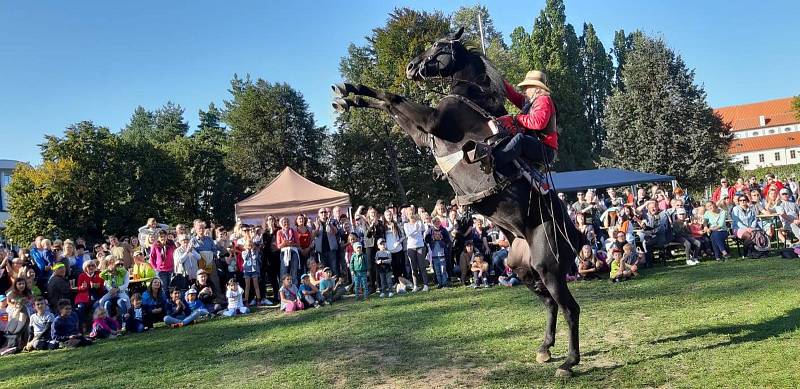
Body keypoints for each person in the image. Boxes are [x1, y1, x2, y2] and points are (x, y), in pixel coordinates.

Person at [488, 70, 557, 187]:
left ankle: (493, 162)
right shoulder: (531, 102)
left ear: (536, 89)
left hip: (546, 150)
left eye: (527, 87)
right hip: (537, 145)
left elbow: (538, 123)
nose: (524, 91)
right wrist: (498, 79)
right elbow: (513, 95)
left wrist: (518, 118)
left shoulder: (543, 100)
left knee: (520, 140)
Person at [74, 260, 104, 333]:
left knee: (96, 306)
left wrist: (98, 286)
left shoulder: (99, 274)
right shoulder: (82, 275)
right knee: (80, 307)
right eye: (89, 266)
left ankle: (96, 326)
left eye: (93, 265)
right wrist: (83, 287)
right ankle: (83, 326)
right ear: (85, 268)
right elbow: (78, 288)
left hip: (96, 296)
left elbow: (102, 288)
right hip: (84, 297)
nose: (91, 267)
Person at [403, 208, 428, 292]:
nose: (411, 215)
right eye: (409, 213)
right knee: (413, 268)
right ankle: (416, 285)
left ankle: (426, 285)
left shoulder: (419, 222)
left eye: (412, 213)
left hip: (420, 246)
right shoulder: (406, 225)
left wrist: (419, 222)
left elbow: (423, 229)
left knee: (422, 266)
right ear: (407, 215)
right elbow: (408, 234)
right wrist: (415, 229)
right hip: (411, 247)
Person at [426, 217, 452, 289]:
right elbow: (426, 239)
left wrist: (441, 239)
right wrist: (433, 238)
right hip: (434, 254)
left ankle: (445, 282)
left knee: (443, 269)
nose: (436, 223)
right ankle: (439, 283)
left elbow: (448, 240)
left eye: (438, 222)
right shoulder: (430, 230)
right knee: (437, 270)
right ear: (432, 223)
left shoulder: (443, 230)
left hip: (442, 253)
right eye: (435, 222)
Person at [313, 208, 339, 276]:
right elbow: (313, 236)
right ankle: (326, 284)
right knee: (323, 269)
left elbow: (336, 232)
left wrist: (330, 224)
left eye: (325, 212)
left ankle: (336, 283)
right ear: (319, 214)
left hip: (331, 249)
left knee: (334, 267)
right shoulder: (315, 223)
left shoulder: (333, 221)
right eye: (321, 212)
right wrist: (317, 227)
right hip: (321, 250)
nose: (323, 213)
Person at [276, 217, 301, 286]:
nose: (286, 223)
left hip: (293, 252)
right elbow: (278, 246)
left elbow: (298, 244)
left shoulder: (294, 231)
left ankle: (295, 291)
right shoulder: (279, 232)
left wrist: (291, 243)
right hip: (284, 253)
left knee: (294, 272)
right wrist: (284, 243)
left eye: (287, 222)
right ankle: (282, 293)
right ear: (281, 224)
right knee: (284, 273)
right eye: (284, 222)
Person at [241, 239, 263, 307]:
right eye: (248, 245)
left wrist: (253, 251)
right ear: (245, 246)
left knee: (256, 285)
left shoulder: (256, 251)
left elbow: (255, 258)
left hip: (254, 270)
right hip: (247, 271)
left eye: (251, 245)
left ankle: (258, 300)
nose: (249, 247)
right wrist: (248, 251)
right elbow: (245, 258)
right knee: (247, 286)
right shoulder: (243, 252)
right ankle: (246, 301)